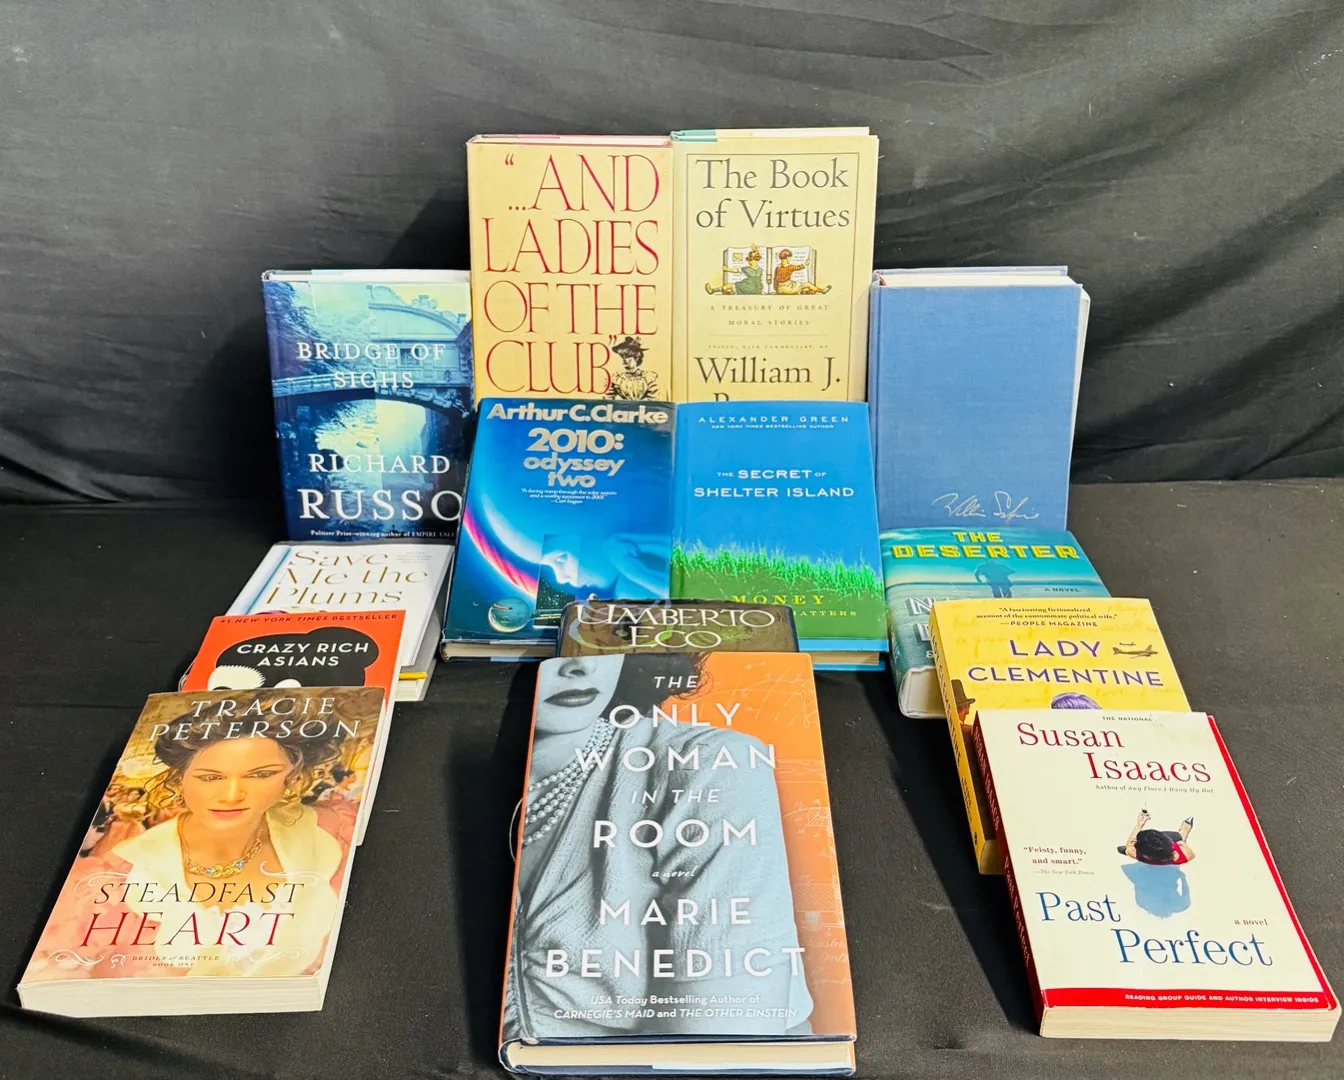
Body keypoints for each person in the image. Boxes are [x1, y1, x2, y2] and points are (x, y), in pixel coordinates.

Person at [503, 654, 813, 1042]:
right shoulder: (480, 777)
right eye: (553, 647)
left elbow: (724, 1051)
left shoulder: (709, 766)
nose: (581, 665)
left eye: (610, 638)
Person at [27, 703, 357, 981]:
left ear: (292, 778)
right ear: (179, 780)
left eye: (260, 774)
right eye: (210, 777)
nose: (232, 795)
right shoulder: (106, 886)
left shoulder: (335, 833)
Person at [1119, 809, 1196, 865]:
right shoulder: (1184, 855)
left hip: (1148, 854)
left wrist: (1139, 825)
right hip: (1172, 847)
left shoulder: (1133, 853)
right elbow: (1191, 855)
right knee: (1179, 837)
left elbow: (1129, 846)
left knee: (1127, 849)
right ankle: (1183, 834)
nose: (1132, 842)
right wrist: (1182, 843)